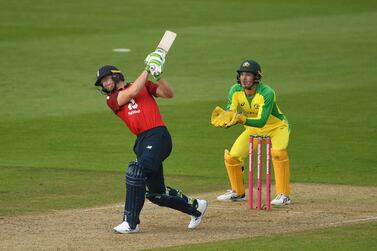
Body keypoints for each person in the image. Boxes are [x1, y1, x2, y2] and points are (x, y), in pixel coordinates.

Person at [94, 50, 208, 234]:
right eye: (102, 83)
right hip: (142, 141)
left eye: (106, 79)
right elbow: (132, 91)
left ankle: (131, 223)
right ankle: (197, 207)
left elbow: (169, 94)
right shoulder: (112, 99)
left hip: (158, 136)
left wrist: (158, 76)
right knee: (157, 194)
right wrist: (147, 68)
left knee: (136, 171)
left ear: (116, 76)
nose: (105, 84)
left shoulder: (145, 85)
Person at [211, 59, 292, 206]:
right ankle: (238, 192)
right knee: (232, 158)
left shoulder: (267, 93)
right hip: (253, 129)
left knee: (278, 153)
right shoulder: (235, 90)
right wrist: (228, 118)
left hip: (277, 127)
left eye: (248, 75)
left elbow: (261, 121)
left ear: (256, 77)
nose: (244, 78)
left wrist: (241, 120)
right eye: (242, 74)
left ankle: (284, 195)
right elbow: (232, 111)